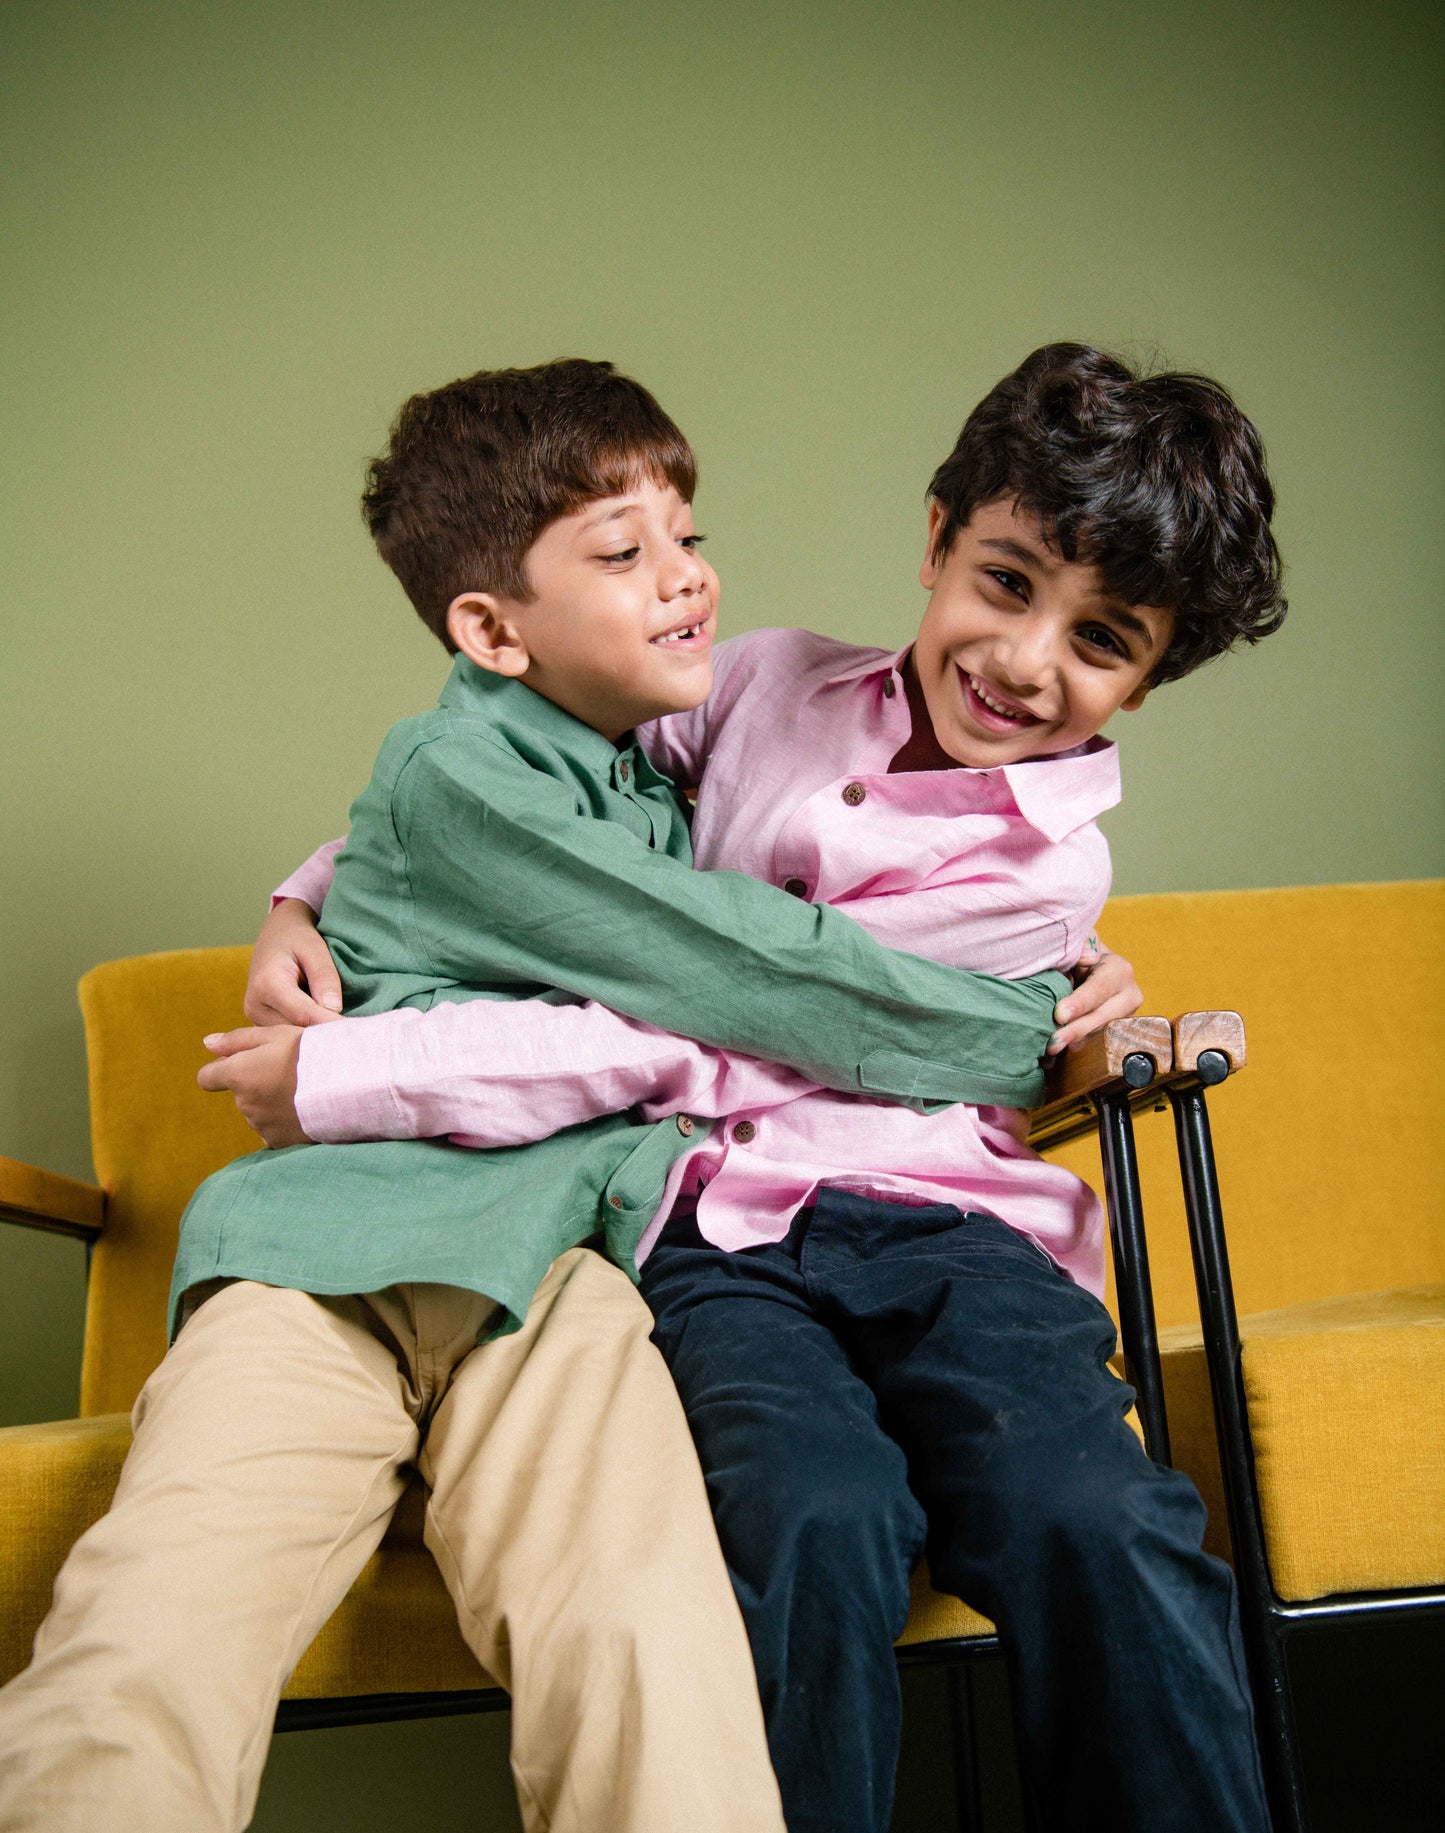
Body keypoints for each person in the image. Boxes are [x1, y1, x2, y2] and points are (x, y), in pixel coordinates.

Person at [0, 358, 1127, 1833]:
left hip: (570, 1270)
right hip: (327, 1250)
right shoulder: (459, 768)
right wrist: (1022, 1026)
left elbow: (693, 925)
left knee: (657, 1676)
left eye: (689, 538)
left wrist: (307, 887)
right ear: (489, 627)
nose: (687, 584)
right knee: (149, 1648)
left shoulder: (668, 769)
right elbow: (746, 966)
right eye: (622, 553)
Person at [227, 345, 1288, 1831]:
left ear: (1150, 673)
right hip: (711, 1226)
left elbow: (736, 1008)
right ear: (934, 539)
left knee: (1098, 1517)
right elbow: (543, 816)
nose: (1026, 660)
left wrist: (365, 1069)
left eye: (1101, 639)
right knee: (808, 1514)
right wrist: (309, 894)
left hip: (950, 1227)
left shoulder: (1052, 870)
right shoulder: (767, 681)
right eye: (1003, 581)